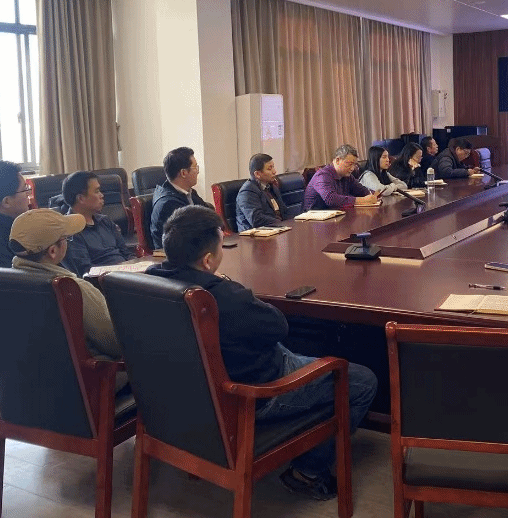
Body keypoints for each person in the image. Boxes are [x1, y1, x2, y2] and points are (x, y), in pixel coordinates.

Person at [146, 206, 377, 500]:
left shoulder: (148, 283)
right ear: (207, 260)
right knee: (362, 381)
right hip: (253, 397)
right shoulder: (224, 296)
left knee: (290, 351)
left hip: (184, 399)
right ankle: (307, 471)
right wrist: (229, 284)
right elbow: (279, 327)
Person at [9, 209, 122, 361]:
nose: (68, 242)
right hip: (89, 373)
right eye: (66, 238)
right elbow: (116, 344)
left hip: (22, 373)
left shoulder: (0, 284)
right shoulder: (75, 289)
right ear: (53, 251)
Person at [60, 171, 133, 276]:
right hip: (105, 281)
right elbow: (86, 272)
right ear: (81, 198)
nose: (102, 195)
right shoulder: (69, 231)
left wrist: (140, 265)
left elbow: (126, 253)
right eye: (97, 191)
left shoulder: (105, 221)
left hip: (128, 275)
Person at [151, 147, 213, 249]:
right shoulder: (168, 204)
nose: (197, 172)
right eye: (195, 168)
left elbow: (211, 217)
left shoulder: (188, 192)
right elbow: (189, 237)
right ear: (184, 173)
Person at [303, 145, 380, 210]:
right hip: (314, 219)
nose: (352, 168)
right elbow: (331, 199)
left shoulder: (347, 176)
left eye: (354, 165)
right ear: (337, 160)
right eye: (349, 164)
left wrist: (372, 194)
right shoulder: (322, 176)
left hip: (336, 216)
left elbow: (361, 190)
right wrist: (363, 200)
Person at [236, 153, 300, 231]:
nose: (274, 171)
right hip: (255, 234)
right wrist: (282, 224)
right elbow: (256, 220)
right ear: (257, 174)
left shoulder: (271, 187)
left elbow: (284, 211)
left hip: (275, 229)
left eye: (273, 167)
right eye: (269, 169)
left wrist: (295, 220)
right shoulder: (247, 192)